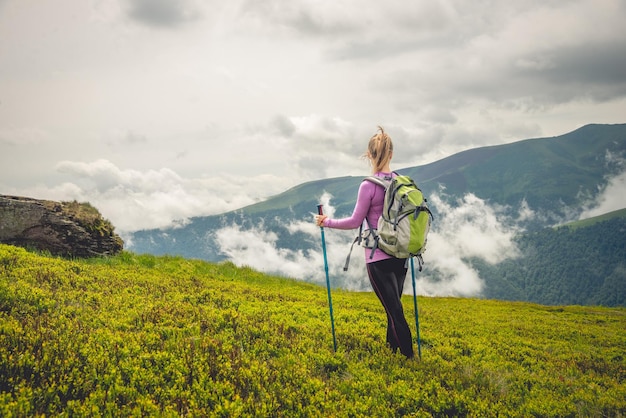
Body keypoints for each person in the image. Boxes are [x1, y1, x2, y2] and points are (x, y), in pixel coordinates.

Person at [314, 126, 414, 358]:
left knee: (395, 313)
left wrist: (326, 222)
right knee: (393, 309)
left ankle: (410, 360)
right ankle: (393, 354)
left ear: (369, 155)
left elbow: (354, 221)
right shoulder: (401, 181)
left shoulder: (368, 185)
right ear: (391, 154)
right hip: (400, 254)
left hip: (378, 258)